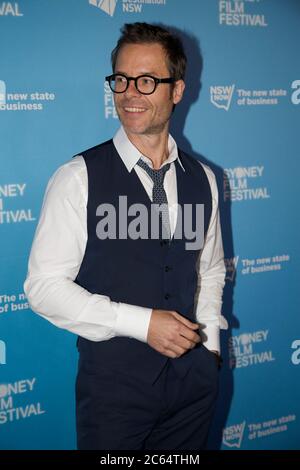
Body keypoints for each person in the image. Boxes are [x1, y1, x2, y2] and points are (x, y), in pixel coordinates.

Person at [24, 22, 228, 451]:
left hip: (193, 388)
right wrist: (141, 323)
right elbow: (43, 288)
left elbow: (209, 270)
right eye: (121, 79)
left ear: (177, 90)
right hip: (115, 397)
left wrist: (209, 347)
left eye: (147, 80)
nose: (130, 92)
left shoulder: (205, 179)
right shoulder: (78, 177)